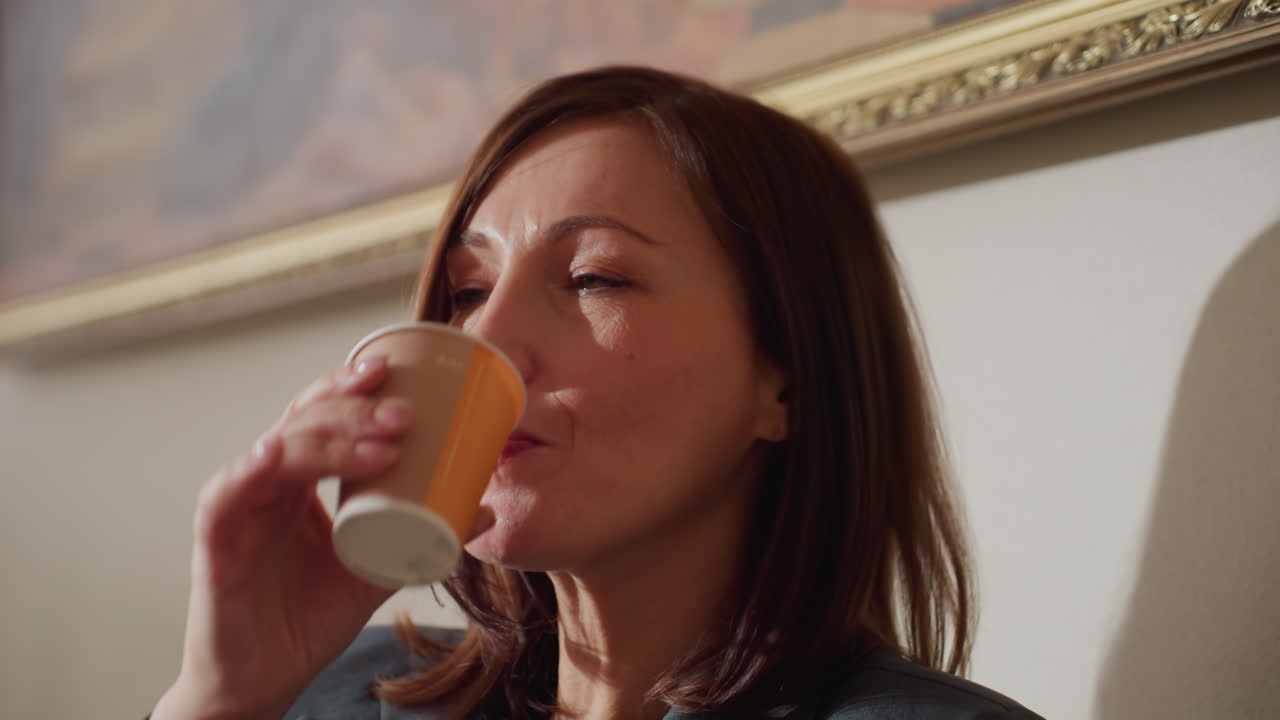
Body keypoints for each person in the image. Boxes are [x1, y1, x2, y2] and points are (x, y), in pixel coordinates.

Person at [149, 66, 1044, 720]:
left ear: (788, 380)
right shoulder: (338, 691)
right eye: (467, 292)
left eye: (595, 279)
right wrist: (221, 697)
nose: (485, 340)